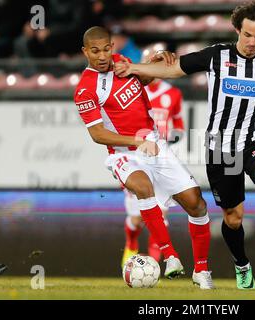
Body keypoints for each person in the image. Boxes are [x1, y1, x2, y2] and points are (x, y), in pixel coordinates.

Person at [114, 1, 255, 290]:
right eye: (247, 35)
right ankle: (242, 264)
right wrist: (132, 66)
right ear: (237, 29)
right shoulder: (216, 56)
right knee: (234, 219)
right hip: (221, 145)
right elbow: (174, 70)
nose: (252, 42)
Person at [73, 26, 214, 289]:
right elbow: (98, 134)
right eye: (95, 51)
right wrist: (136, 142)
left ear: (112, 46)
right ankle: (170, 256)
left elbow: (144, 81)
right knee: (142, 187)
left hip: (154, 143)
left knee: (197, 204)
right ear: (85, 52)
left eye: (106, 49)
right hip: (124, 153)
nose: (102, 56)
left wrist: (155, 63)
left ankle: (202, 270)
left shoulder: (121, 63)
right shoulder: (85, 89)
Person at [121, 50, 186, 267]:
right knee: (138, 218)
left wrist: (172, 138)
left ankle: (154, 264)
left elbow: (178, 125)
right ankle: (131, 244)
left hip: (159, 157)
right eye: (152, 61)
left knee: (160, 214)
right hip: (135, 157)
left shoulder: (173, 94)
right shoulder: (131, 90)